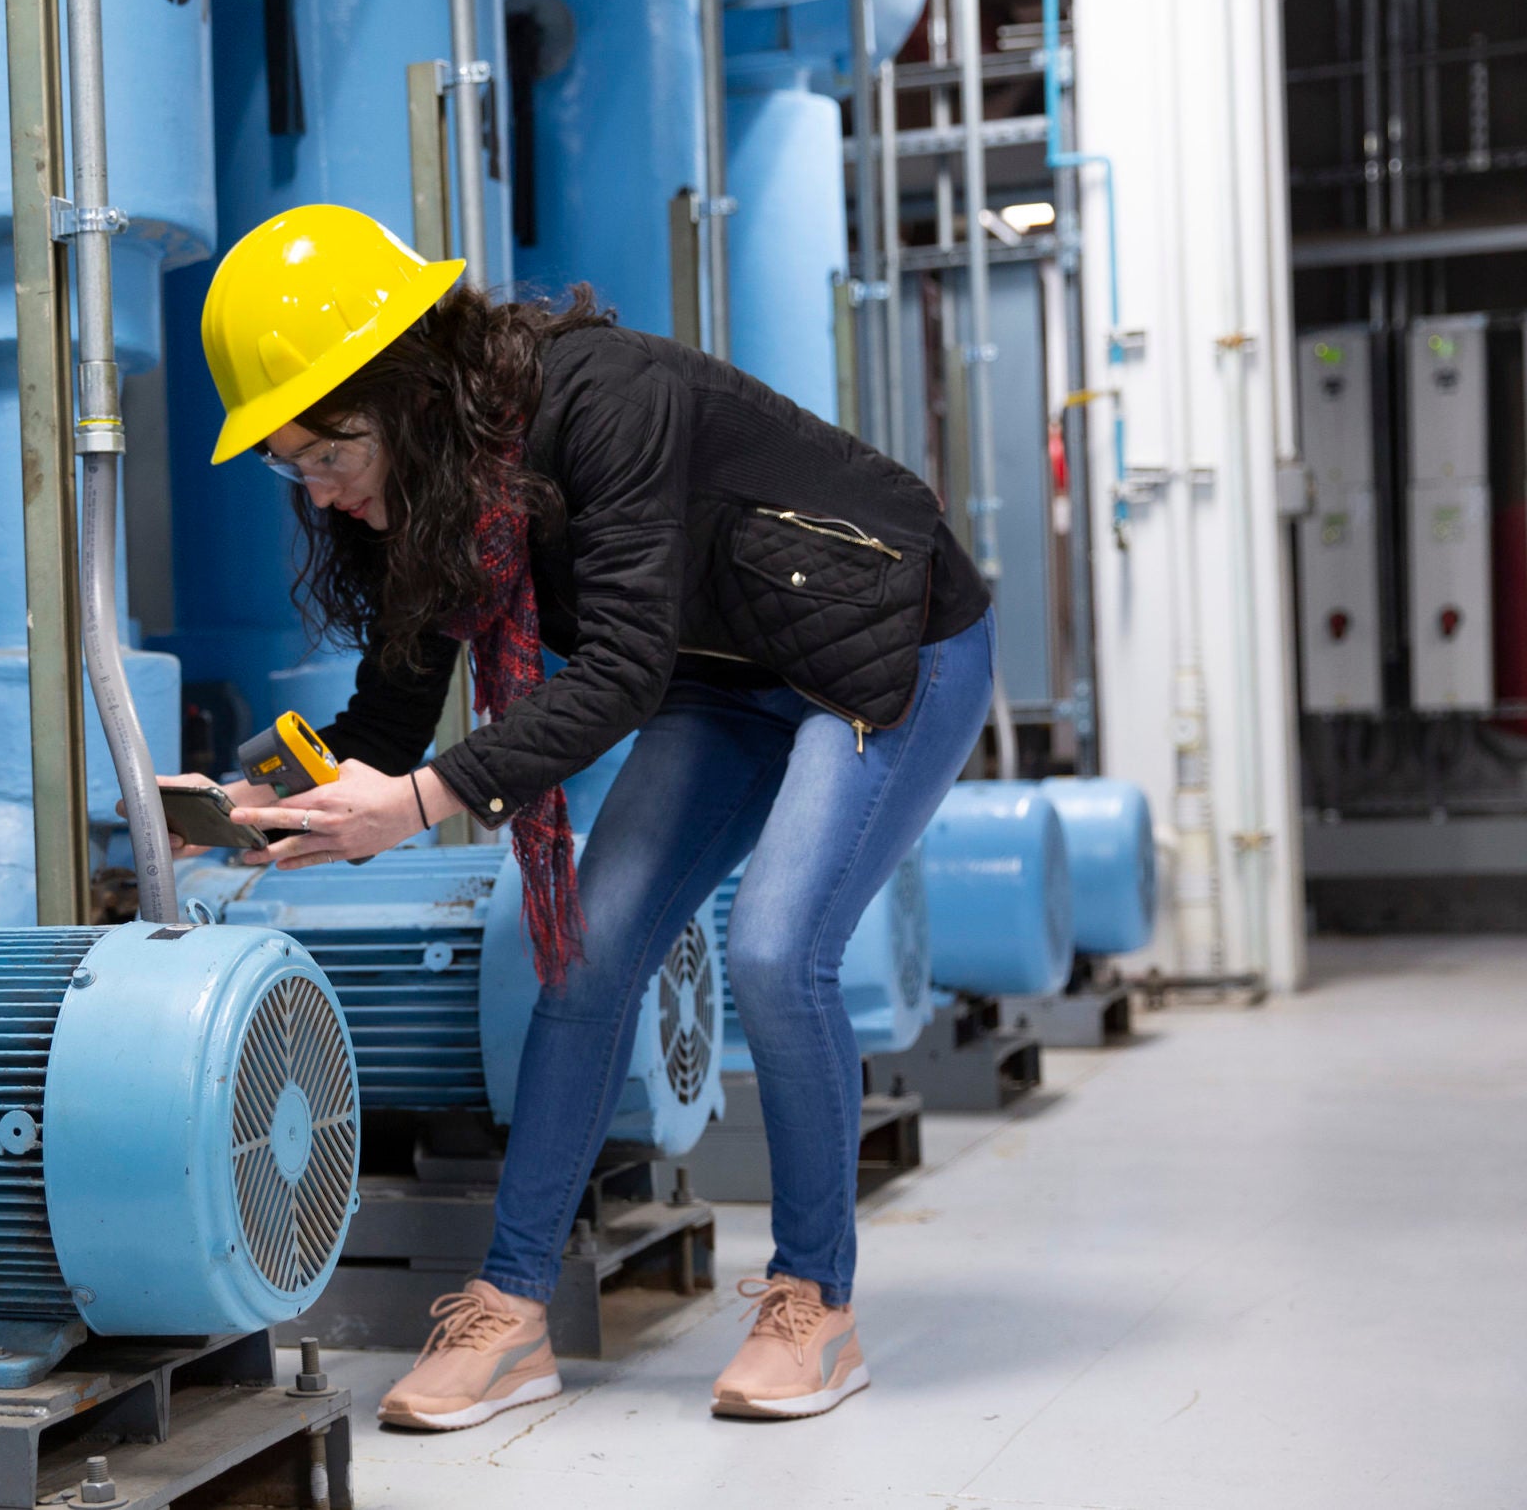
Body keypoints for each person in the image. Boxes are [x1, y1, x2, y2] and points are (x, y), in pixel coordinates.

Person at [171, 205, 996, 1428]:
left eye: (327, 454)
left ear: (398, 393)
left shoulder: (607, 399)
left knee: (775, 949)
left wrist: (420, 805)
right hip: (724, 682)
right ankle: (509, 1312)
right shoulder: (443, 484)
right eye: (294, 467)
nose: (322, 491)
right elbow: (389, 709)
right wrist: (273, 800)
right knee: (588, 952)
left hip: (881, 643)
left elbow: (614, 672)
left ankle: (814, 1299)